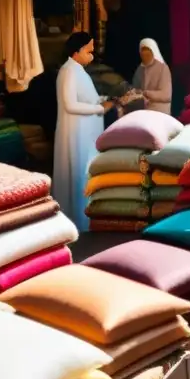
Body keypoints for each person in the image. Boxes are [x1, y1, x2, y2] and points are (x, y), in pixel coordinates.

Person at [54, 33, 113, 231]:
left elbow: (87, 98)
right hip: (77, 135)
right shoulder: (69, 71)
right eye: (88, 51)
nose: (92, 56)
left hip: (85, 135)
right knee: (78, 175)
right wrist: (100, 108)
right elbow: (70, 104)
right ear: (76, 51)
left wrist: (106, 99)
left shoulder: (77, 70)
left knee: (84, 174)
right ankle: (79, 223)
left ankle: (86, 220)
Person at [132, 38, 172, 114]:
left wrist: (146, 93)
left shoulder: (163, 68)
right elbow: (135, 89)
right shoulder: (139, 69)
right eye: (142, 50)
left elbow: (166, 95)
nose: (144, 53)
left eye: (147, 50)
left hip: (159, 112)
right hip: (143, 111)